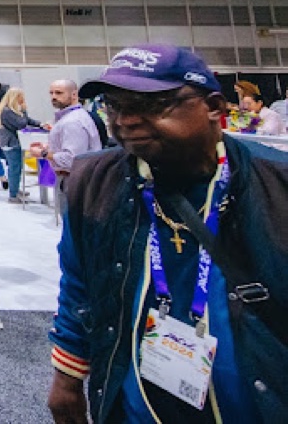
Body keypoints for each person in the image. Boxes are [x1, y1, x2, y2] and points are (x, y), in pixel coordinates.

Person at [48, 44, 288, 424]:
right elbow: (79, 284)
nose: (125, 120)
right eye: (114, 106)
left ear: (214, 107)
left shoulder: (276, 185)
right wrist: (67, 379)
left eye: (152, 105)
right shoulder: (96, 181)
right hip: (136, 406)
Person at [42, 79, 102, 215]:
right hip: (75, 181)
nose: (53, 97)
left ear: (74, 95)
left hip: (74, 182)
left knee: (73, 229)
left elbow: (72, 160)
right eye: (51, 93)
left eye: (59, 93)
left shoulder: (72, 122)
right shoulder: (71, 118)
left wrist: (44, 153)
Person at [0, 89, 44, 203]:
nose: (23, 99)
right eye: (21, 97)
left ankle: (15, 189)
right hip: (10, 143)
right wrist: (24, 109)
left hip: (14, 142)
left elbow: (27, 120)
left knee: (17, 168)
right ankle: (13, 195)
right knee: (14, 169)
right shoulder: (7, 111)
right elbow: (21, 123)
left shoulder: (12, 110)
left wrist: (40, 124)